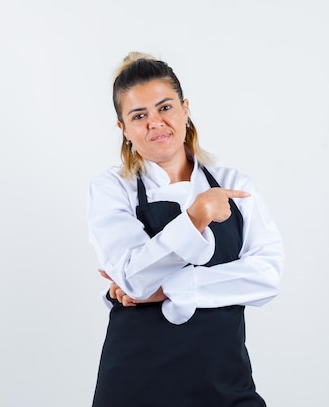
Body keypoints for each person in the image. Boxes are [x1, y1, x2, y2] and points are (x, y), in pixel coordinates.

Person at [87, 52, 284, 407]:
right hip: (135, 385)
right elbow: (132, 277)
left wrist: (171, 287)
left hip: (224, 383)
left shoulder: (233, 183)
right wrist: (196, 217)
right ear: (124, 128)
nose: (155, 123)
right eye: (139, 115)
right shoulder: (112, 189)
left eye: (165, 107)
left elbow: (267, 275)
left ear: (185, 108)